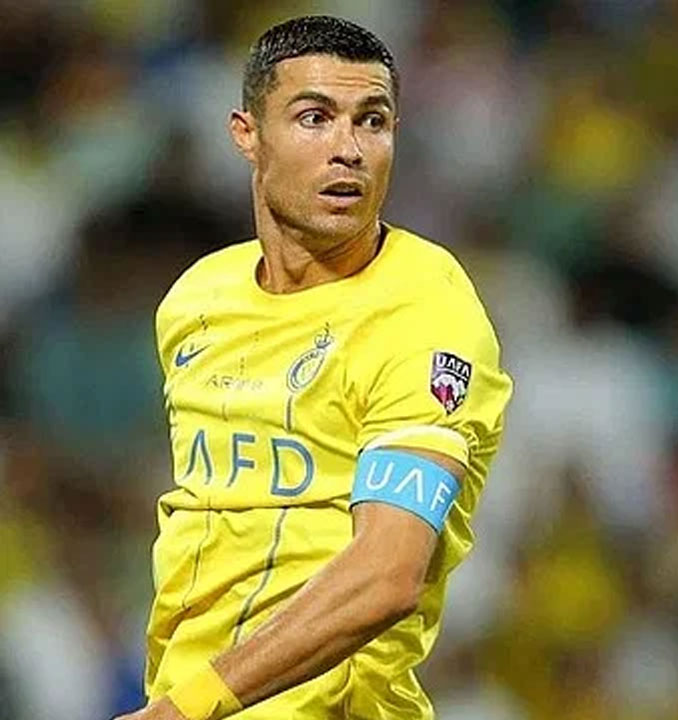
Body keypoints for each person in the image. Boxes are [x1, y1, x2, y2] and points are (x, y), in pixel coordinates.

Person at [114, 15, 513, 720]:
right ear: (247, 134)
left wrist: (189, 706)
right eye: (314, 118)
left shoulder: (424, 312)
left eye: (372, 121)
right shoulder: (196, 301)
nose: (349, 149)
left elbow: (387, 575)